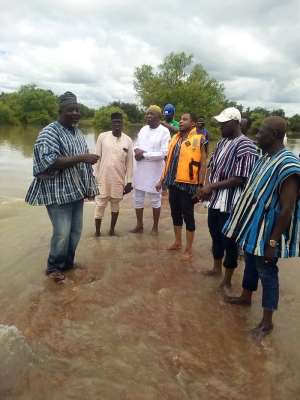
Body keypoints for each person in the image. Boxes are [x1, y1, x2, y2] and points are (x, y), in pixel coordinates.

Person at [223, 116, 300, 338]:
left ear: (275, 135)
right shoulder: (265, 157)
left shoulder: (288, 164)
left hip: (268, 232)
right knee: (249, 263)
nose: (256, 135)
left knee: (267, 272)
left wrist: (272, 242)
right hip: (252, 226)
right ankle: (246, 296)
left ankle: (267, 323)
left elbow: (287, 209)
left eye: (261, 132)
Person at [25, 92, 99, 282]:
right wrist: (83, 157)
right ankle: (53, 268)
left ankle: (67, 263)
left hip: (76, 192)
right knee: (62, 233)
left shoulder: (77, 132)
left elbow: (80, 160)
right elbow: (49, 162)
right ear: (60, 111)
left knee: (75, 232)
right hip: (57, 193)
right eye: (70, 110)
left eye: (77, 110)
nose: (75, 113)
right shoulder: (49, 132)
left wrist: (88, 183)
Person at [197, 107, 258, 290]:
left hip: (232, 204)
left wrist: (211, 186)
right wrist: (205, 186)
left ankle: (228, 279)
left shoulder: (246, 145)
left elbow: (240, 178)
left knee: (229, 241)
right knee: (215, 235)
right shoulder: (223, 142)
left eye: (224, 124)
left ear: (235, 123)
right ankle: (216, 269)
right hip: (215, 200)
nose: (220, 126)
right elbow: (211, 165)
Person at [156, 113, 206, 260]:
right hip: (173, 183)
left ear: (193, 123)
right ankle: (177, 242)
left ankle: (188, 250)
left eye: (185, 120)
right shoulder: (175, 138)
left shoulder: (199, 139)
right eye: (181, 119)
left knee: (188, 216)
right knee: (175, 213)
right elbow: (169, 162)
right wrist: (161, 180)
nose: (181, 122)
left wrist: (201, 185)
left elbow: (203, 163)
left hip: (188, 185)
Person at [131, 105, 171, 234]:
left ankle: (155, 227)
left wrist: (144, 154)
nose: (148, 116)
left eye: (151, 114)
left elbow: (164, 153)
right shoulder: (143, 129)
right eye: (147, 114)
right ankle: (139, 225)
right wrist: (136, 150)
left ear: (159, 117)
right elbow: (136, 144)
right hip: (140, 170)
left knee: (155, 199)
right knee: (138, 198)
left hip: (155, 171)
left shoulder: (164, 131)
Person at [93, 112, 133, 237]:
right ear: (111, 123)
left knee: (115, 205)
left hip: (118, 179)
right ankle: (97, 233)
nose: (117, 124)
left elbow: (130, 163)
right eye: (114, 122)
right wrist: (93, 178)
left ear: (122, 124)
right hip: (102, 178)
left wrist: (129, 181)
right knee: (100, 205)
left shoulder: (128, 140)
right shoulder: (102, 137)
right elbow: (96, 159)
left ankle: (111, 230)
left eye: (119, 122)